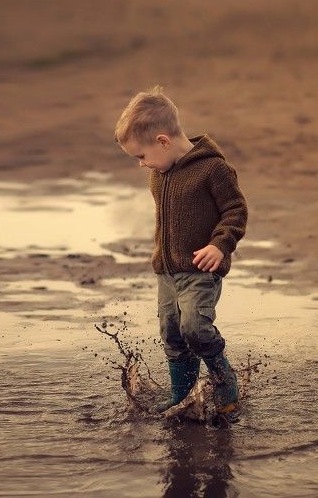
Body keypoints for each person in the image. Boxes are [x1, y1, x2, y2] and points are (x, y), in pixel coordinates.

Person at [114, 85, 248, 415]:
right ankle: (183, 394)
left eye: (141, 156)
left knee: (195, 328)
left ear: (163, 140)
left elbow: (235, 210)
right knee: (172, 334)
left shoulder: (213, 169)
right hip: (167, 272)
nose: (142, 164)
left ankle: (223, 377)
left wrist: (220, 246)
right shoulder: (159, 174)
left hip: (201, 270)